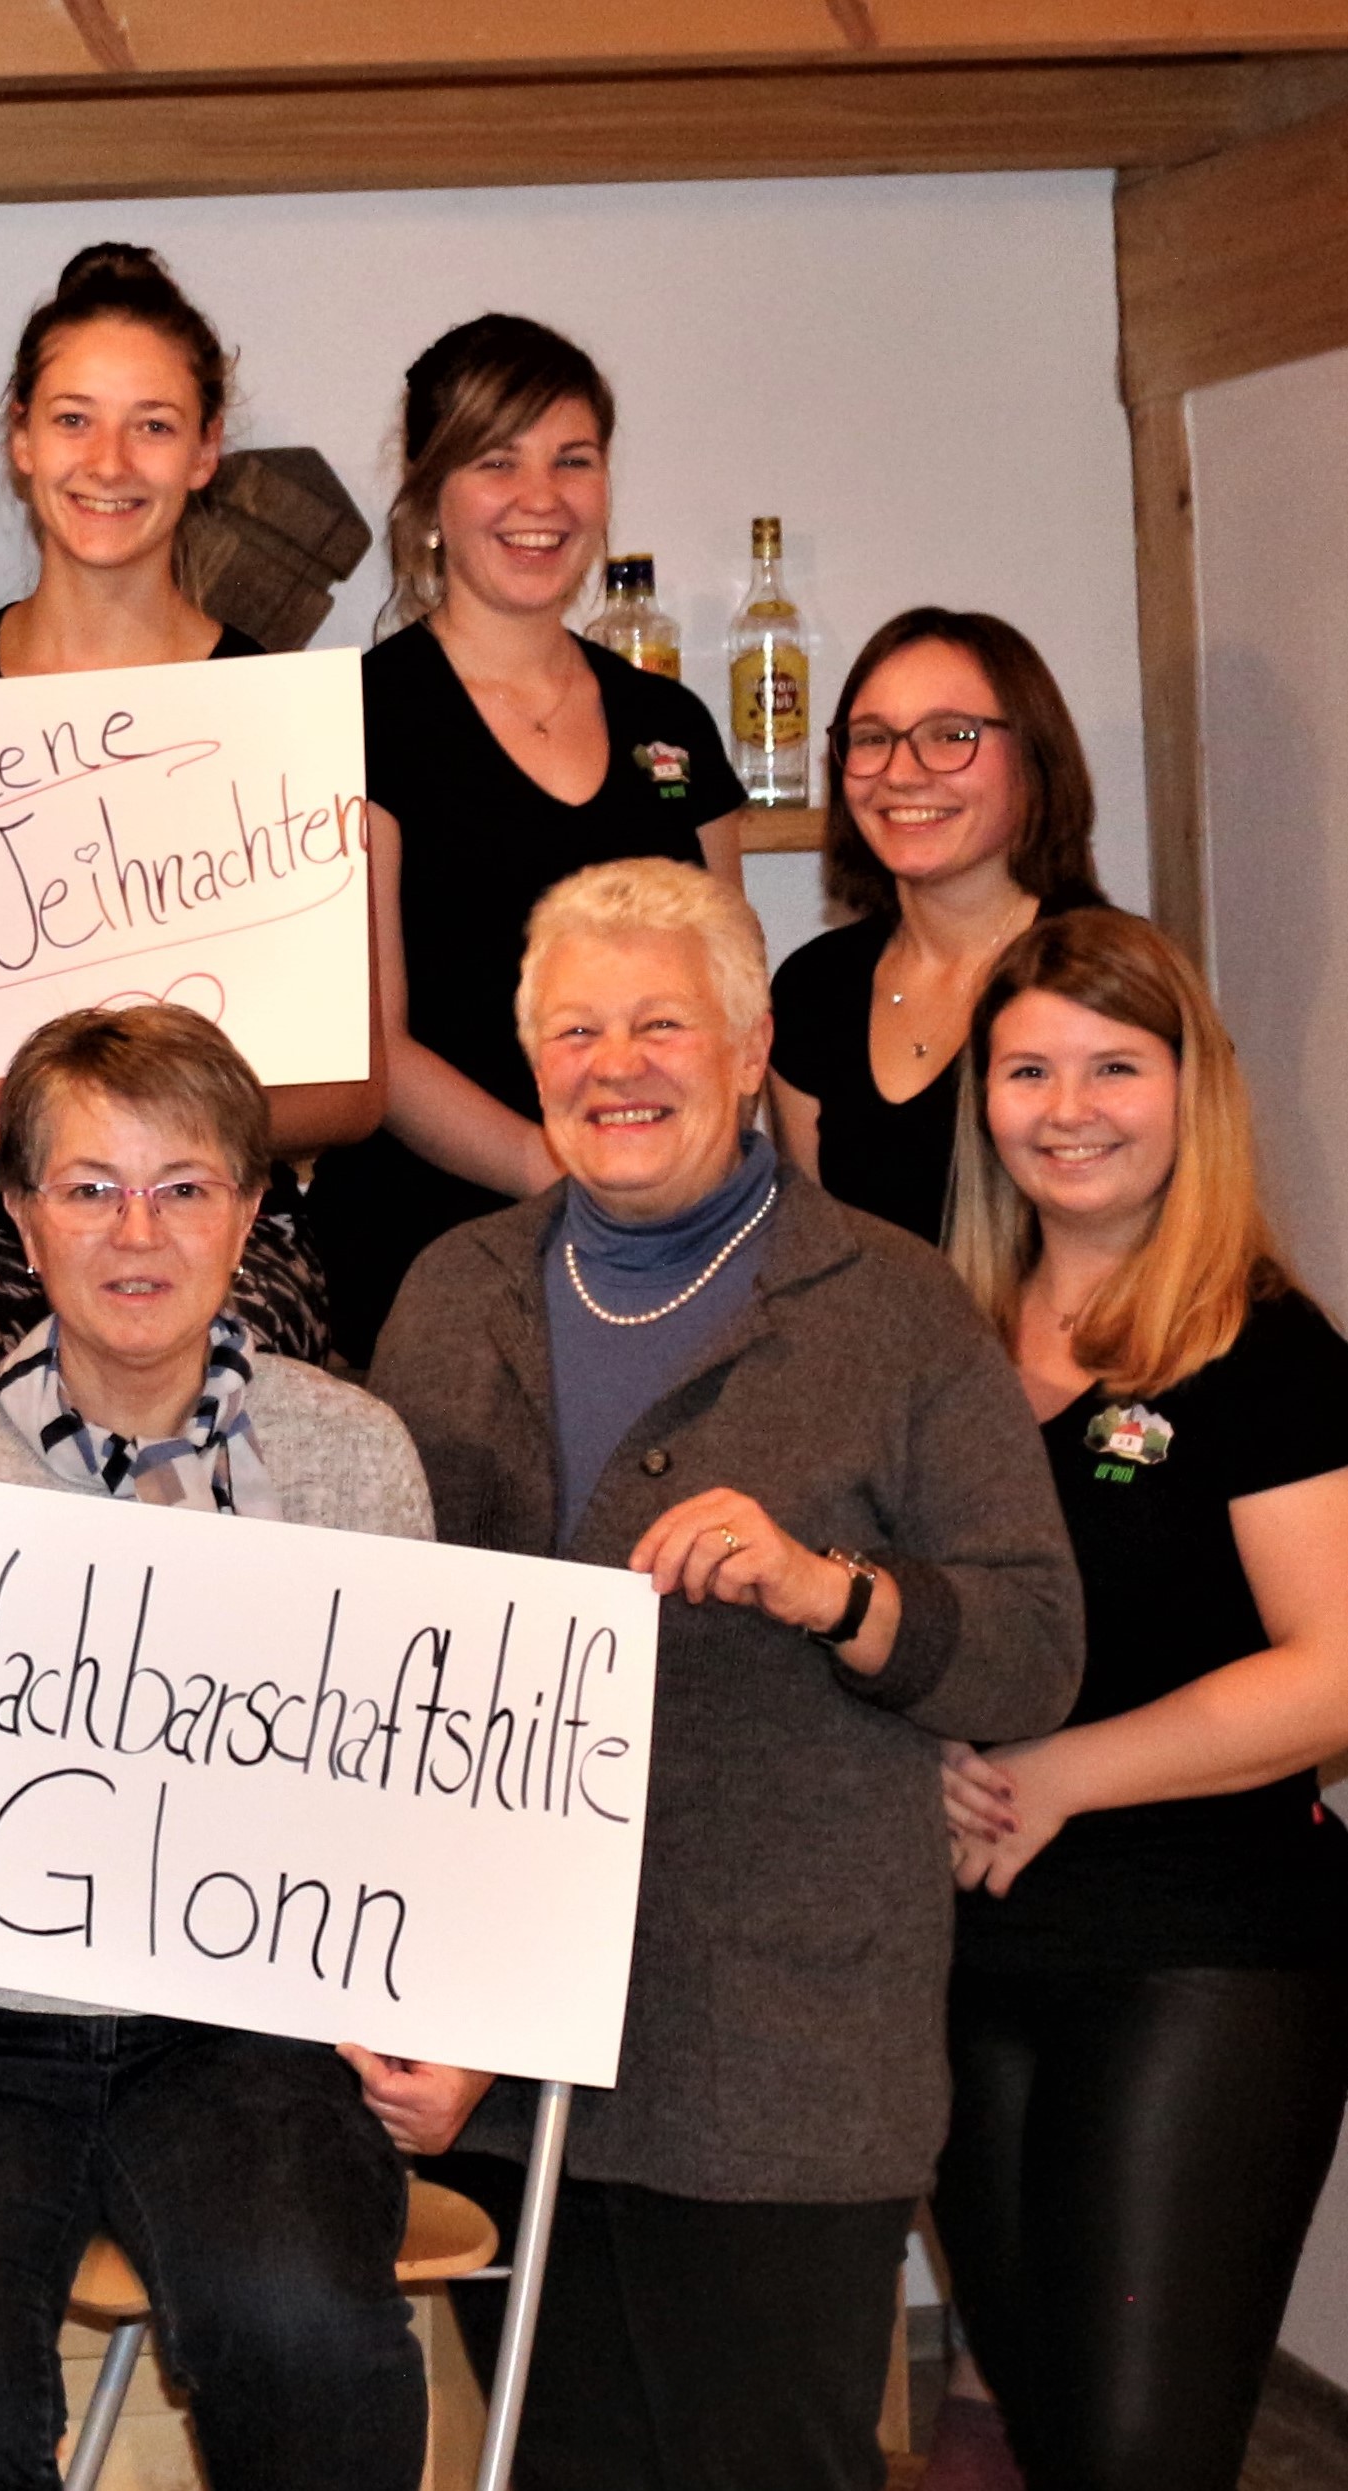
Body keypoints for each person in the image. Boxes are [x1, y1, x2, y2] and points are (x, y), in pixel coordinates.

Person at [371, 859, 1081, 2491]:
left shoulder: (893, 1304)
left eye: (660, 1025)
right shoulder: (450, 1293)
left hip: (779, 2055)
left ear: (751, 1047)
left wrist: (832, 1591)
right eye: (574, 1031)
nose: (613, 1066)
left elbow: (1034, 1645)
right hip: (505, 2054)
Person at [0, 1001, 476, 2491]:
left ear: (248, 1212)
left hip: (245, 2028)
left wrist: (457, 2032)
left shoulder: (351, 1455)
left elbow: (425, 1810)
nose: (136, 1232)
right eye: (88, 1187)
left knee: (311, 2342)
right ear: (21, 1218)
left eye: (183, 1185)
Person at [0, 242, 381, 1461]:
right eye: (73, 419)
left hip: (205, 1224)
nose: (109, 463)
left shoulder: (283, 719)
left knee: (218, 1401)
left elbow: (352, 1088)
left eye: (151, 426)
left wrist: (138, 1138)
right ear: (19, 437)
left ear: (205, 450)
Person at [923, 910, 1348, 2491]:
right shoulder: (939, 1341)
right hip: (967, 1954)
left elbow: (1333, 1667)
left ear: (1190, 1088)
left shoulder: (1263, 1346)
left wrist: (1058, 1773)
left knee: (1135, 2456)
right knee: (1054, 2434)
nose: (1067, 1108)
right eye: (1026, 1069)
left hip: (1199, 1956)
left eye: (1113, 1066)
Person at [308, 316, 747, 1355]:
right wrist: (562, 1174)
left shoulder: (669, 723)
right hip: (438, 1253)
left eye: (572, 460)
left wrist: (670, 1190)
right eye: (495, 461)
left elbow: (730, 1008)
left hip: (662, 1242)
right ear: (429, 493)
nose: (540, 498)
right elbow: (376, 1044)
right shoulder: (355, 719)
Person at [769, 610, 1109, 1242]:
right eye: (872, 739)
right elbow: (819, 1263)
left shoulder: (1114, 979)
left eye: (952, 735)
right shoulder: (814, 990)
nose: (901, 773)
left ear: (1034, 759)